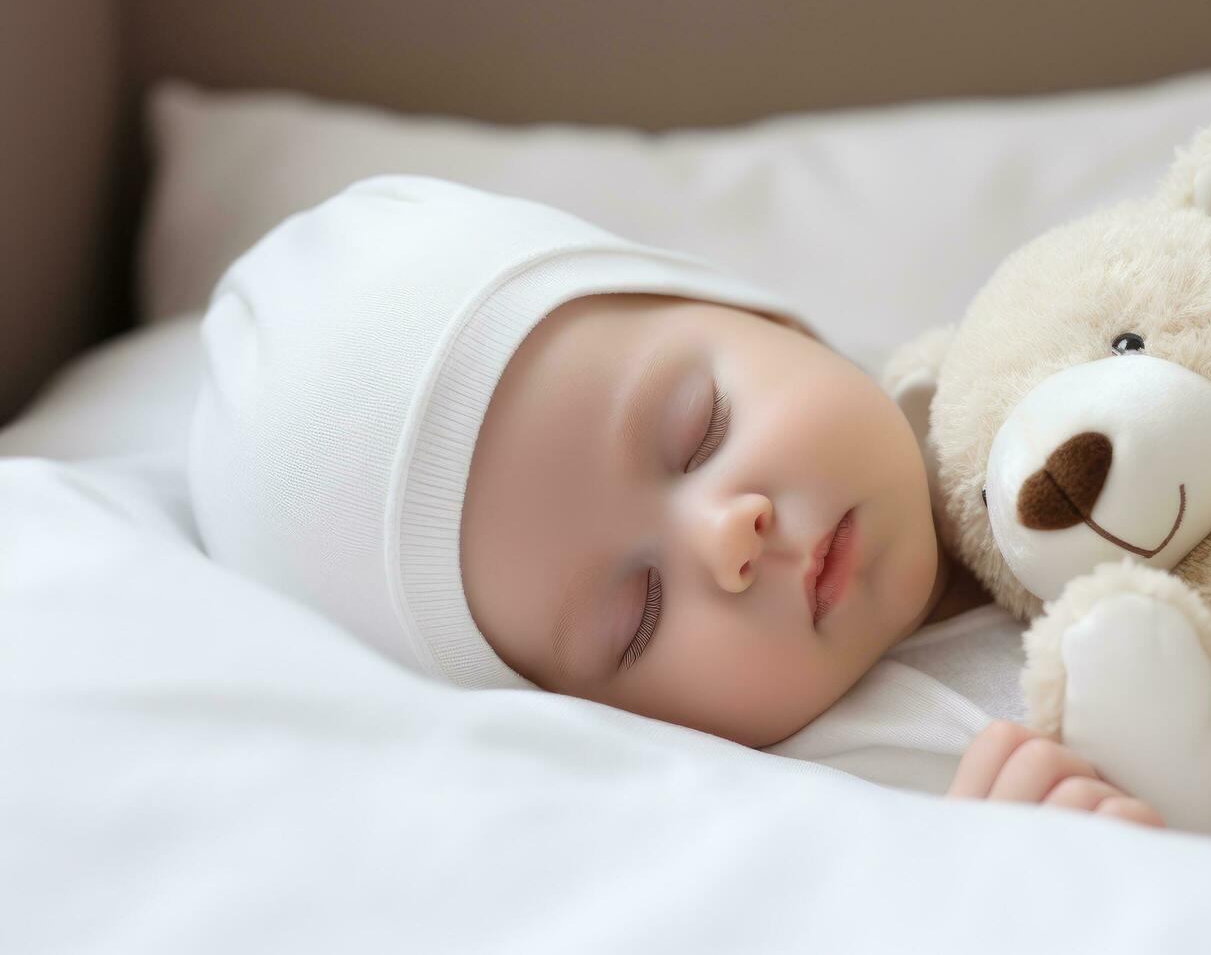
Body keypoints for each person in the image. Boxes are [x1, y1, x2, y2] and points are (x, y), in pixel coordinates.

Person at [189, 175, 1162, 828]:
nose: (727, 536)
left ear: (762, 315)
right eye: (637, 614)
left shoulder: (1062, 361)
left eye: (698, 425)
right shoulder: (851, 803)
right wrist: (1019, 877)